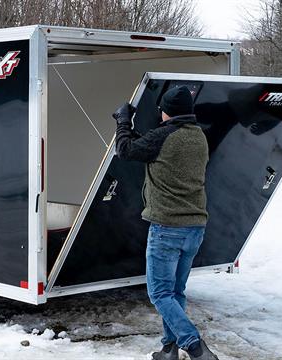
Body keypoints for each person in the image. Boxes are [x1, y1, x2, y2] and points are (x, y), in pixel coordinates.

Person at [113, 86, 219, 359]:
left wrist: (123, 121)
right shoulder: (198, 137)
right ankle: (168, 349)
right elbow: (146, 148)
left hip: (167, 229)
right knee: (175, 292)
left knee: (160, 294)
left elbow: (125, 150)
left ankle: (194, 345)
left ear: (166, 112)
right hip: (195, 228)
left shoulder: (164, 136)